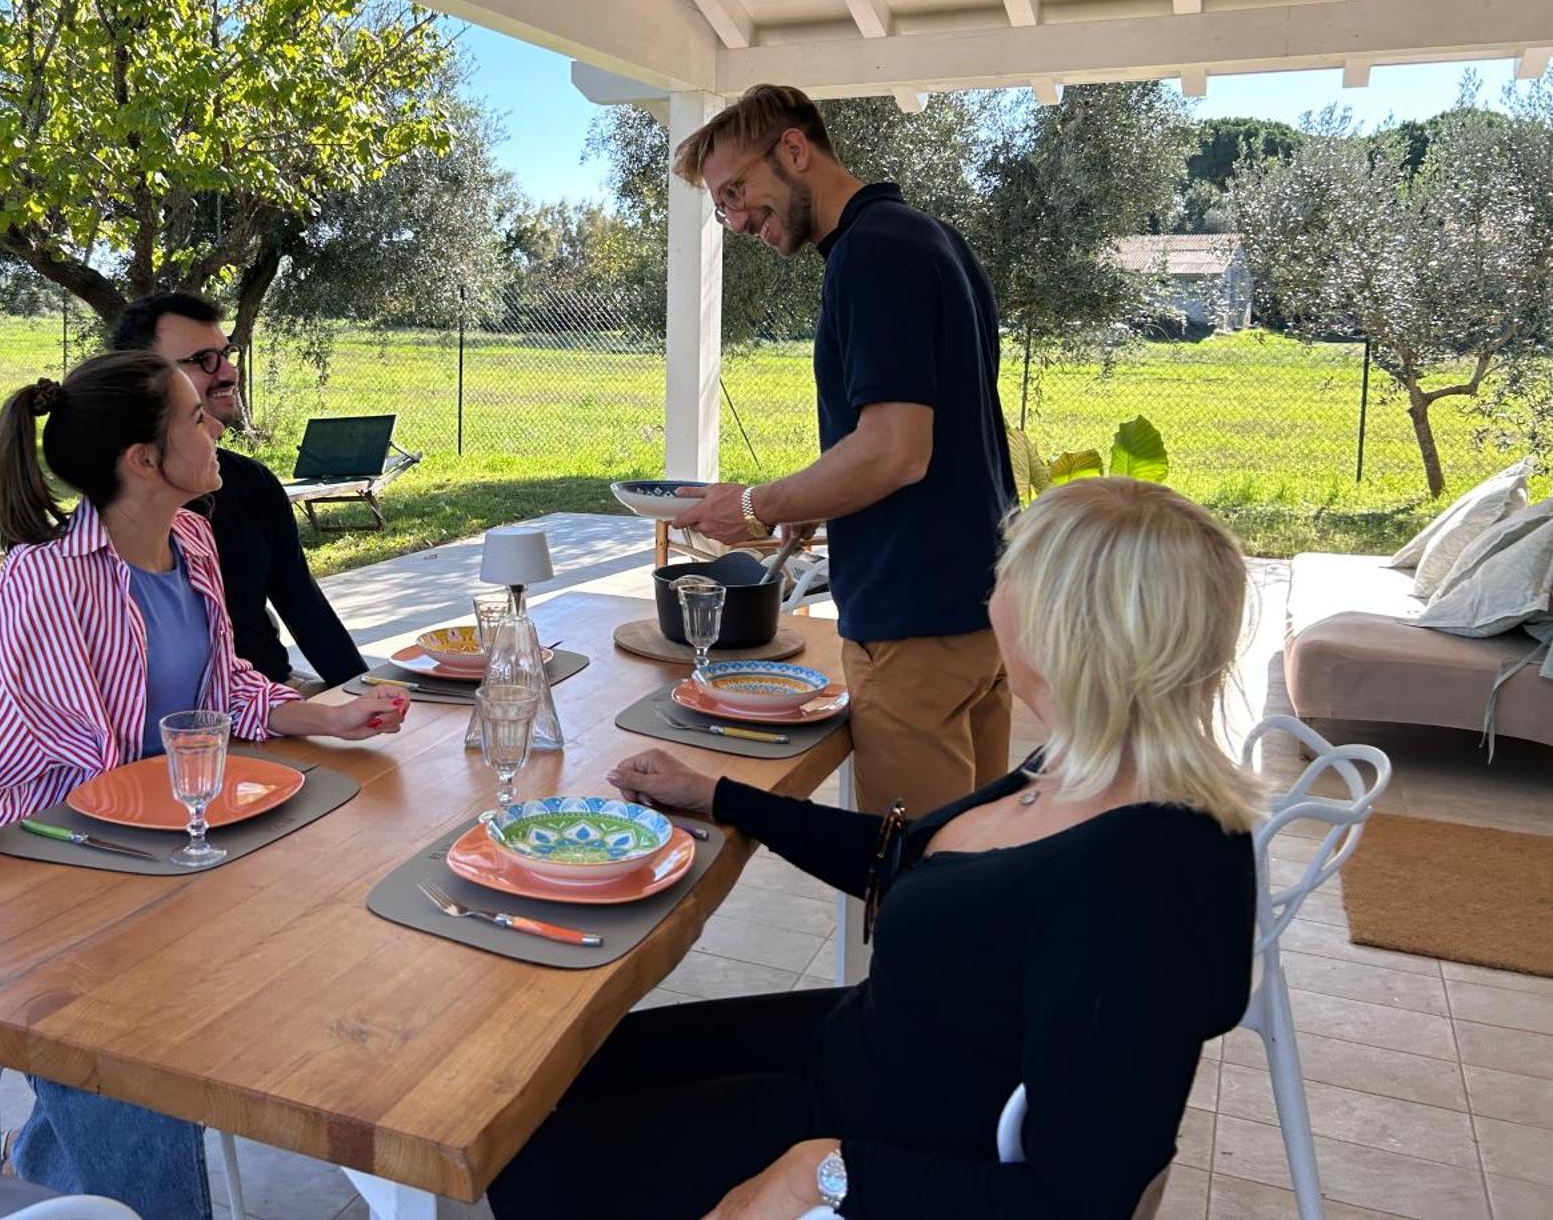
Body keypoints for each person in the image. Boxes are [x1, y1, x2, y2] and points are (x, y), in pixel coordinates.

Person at [488, 479, 1262, 1219]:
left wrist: (819, 1173)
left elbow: (1078, 1200)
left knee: (538, 1158)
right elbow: (907, 858)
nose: (987, 598)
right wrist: (721, 797)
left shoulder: (1148, 883)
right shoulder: (1084, 765)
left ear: (1061, 628)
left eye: (1006, 577)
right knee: (550, 1074)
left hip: (885, 1135)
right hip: (859, 1050)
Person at [0, 350, 406, 1219]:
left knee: (325, 949)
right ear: (143, 460)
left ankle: (44, 1176)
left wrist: (322, 715)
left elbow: (217, 695)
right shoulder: (45, 584)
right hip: (54, 875)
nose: (217, 426)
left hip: (171, 857)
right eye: (195, 417)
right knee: (146, 1054)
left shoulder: (193, 541)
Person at [668, 84, 1016, 819]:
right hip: (983, 611)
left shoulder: (870, 254)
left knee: (917, 883)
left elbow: (895, 452)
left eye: (737, 191)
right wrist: (816, 505)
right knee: (980, 863)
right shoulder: (930, 237)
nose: (734, 221)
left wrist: (756, 506)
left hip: (912, 623)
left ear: (794, 149)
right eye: (720, 206)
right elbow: (936, 439)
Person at [113, 291, 367, 692]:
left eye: (226, 353)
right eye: (203, 360)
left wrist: (363, 693)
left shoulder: (251, 483)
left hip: (267, 698)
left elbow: (303, 604)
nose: (229, 372)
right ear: (141, 380)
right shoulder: (106, 518)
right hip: (168, 730)